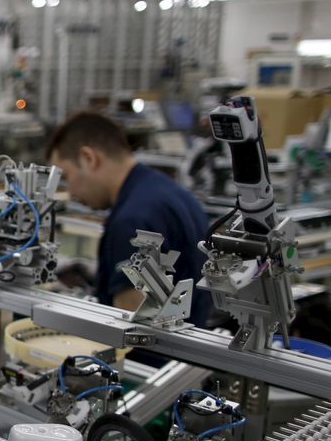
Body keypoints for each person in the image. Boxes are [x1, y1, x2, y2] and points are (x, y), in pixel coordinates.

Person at [47, 111, 212, 326]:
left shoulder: (132, 221)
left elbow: (130, 328)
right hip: (189, 349)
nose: (70, 192)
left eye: (67, 177)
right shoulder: (170, 193)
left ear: (89, 158)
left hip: (152, 359)